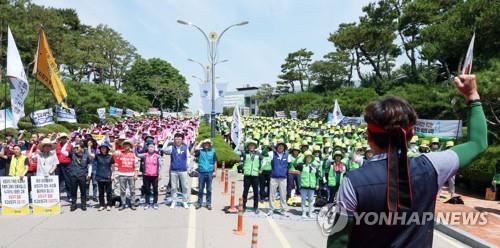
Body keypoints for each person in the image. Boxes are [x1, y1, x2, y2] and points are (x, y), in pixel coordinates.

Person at [327, 74, 487, 247]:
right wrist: (472, 96)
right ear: (410, 136)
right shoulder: (433, 167)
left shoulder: (352, 182)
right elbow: (478, 143)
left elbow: (339, 239)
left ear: (368, 137)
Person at [162, 132, 191, 209]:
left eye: (179, 139)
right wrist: (167, 140)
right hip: (174, 171)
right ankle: (174, 201)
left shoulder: (185, 148)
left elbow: (188, 158)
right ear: (174, 140)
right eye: (176, 139)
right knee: (173, 187)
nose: (178, 140)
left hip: (183, 170)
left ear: (182, 140)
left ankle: (185, 201)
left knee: (184, 187)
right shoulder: (172, 148)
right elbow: (163, 149)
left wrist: (188, 168)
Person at [136, 143, 162, 210]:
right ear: (147, 148)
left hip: (155, 175)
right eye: (149, 147)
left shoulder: (157, 156)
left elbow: (160, 166)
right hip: (146, 175)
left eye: (152, 147)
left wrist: (160, 174)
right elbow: (137, 155)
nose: (151, 148)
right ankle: (147, 203)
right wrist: (135, 147)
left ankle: (155, 203)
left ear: (154, 148)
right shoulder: (145, 155)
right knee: (147, 190)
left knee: (155, 190)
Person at [193, 139, 217, 210]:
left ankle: (208, 203)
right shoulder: (200, 151)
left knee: (209, 189)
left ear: (210, 145)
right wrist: (199, 143)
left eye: (208, 144)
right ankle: (199, 203)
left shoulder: (213, 152)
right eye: (205, 144)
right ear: (203, 145)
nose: (206, 145)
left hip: (210, 172)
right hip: (201, 172)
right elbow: (192, 153)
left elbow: (215, 162)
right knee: (200, 189)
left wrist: (215, 171)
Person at [239, 140, 262, 214]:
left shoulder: (258, 154)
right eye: (250, 146)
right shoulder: (245, 153)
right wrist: (242, 167)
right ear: (248, 147)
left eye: (253, 146)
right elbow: (241, 162)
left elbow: (263, 161)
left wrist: (261, 169)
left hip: (255, 175)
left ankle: (255, 207)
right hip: (247, 175)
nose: (251, 147)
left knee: (256, 192)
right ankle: (243, 206)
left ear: (255, 147)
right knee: (245, 191)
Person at [68, 142, 92, 211]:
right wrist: (67, 142)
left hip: (82, 175)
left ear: (81, 148)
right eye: (75, 147)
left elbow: (90, 165)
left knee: (83, 191)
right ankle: (73, 204)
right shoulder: (72, 154)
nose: (75, 149)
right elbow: (63, 152)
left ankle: (83, 204)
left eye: (77, 147)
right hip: (73, 175)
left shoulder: (86, 155)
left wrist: (89, 175)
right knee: (73, 191)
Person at [91, 142, 114, 211]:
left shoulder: (110, 156)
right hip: (99, 176)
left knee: (109, 192)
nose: (103, 149)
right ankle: (102, 205)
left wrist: (113, 175)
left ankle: (109, 204)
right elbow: (90, 156)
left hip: (108, 176)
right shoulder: (97, 156)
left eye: (104, 148)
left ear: (107, 149)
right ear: (100, 149)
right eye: (102, 148)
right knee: (101, 192)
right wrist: (89, 147)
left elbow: (113, 166)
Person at [116, 139, 139, 211]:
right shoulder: (120, 154)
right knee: (122, 191)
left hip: (131, 174)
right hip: (122, 174)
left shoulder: (133, 154)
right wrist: (115, 174)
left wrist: (136, 174)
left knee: (132, 190)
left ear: (130, 146)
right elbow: (116, 164)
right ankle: (123, 204)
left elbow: (136, 166)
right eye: (125, 145)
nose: (126, 146)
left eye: (127, 145)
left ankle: (132, 203)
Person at [268, 140, 289, 216]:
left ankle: (283, 210)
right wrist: (269, 146)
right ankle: (271, 209)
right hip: (274, 177)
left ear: (284, 147)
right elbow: (263, 154)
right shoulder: (272, 154)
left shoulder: (287, 155)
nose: (281, 147)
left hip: (283, 178)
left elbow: (289, 166)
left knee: (283, 194)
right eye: (279, 145)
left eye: (282, 146)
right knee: (272, 194)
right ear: (276, 147)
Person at [297, 150, 320, 218]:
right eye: (307, 157)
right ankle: (303, 213)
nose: (309, 159)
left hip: (312, 186)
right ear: (305, 158)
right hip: (304, 185)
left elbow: (317, 176)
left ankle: (310, 213)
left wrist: (317, 184)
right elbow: (295, 164)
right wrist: (300, 157)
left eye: (310, 158)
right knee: (303, 199)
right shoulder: (301, 166)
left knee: (311, 200)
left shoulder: (314, 167)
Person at [55, 133, 73, 201]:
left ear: (66, 138)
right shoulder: (57, 145)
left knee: (68, 181)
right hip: (58, 165)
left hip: (67, 165)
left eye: (64, 137)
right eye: (62, 138)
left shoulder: (70, 145)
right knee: (58, 181)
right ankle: (57, 196)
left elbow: (72, 155)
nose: (63, 139)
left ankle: (70, 196)